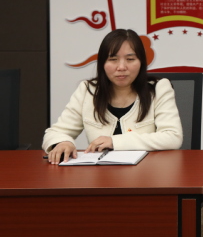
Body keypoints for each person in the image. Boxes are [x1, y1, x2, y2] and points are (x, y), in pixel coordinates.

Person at [43, 29, 183, 164]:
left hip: (147, 172)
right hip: (101, 175)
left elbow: (172, 136)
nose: (121, 67)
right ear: (103, 63)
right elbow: (55, 132)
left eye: (130, 59)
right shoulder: (88, 91)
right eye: (113, 59)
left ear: (141, 62)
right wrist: (63, 142)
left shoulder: (158, 89)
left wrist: (114, 141)